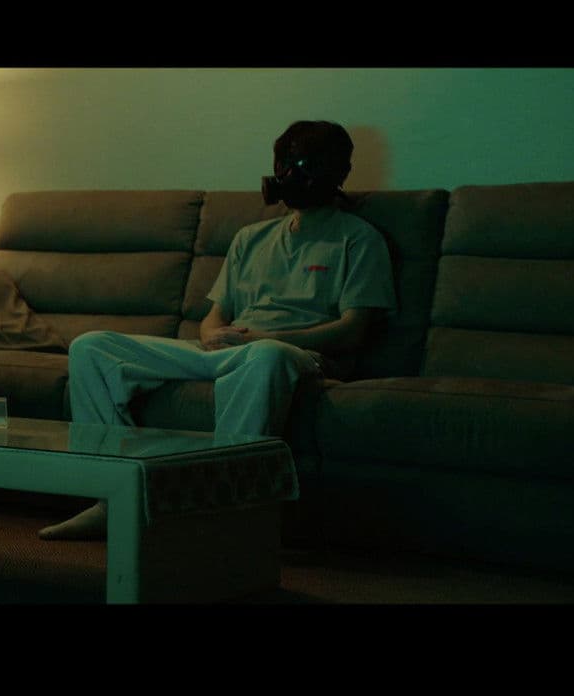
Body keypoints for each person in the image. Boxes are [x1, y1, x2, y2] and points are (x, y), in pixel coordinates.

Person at [38, 120, 397, 541]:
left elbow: (353, 330)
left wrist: (265, 340)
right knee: (91, 347)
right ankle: (113, 499)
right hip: (228, 349)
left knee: (265, 357)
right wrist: (211, 334)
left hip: (290, 354)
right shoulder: (251, 237)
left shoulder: (359, 239)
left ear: (337, 172)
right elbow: (215, 315)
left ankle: (222, 513)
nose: (290, 174)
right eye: (284, 164)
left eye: (303, 165)